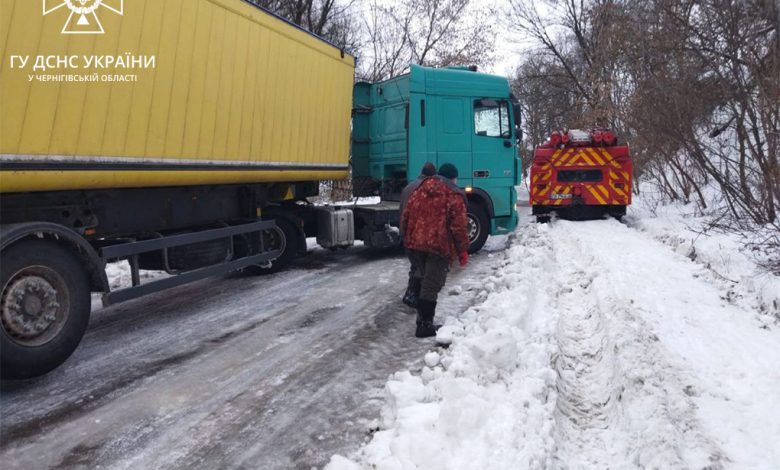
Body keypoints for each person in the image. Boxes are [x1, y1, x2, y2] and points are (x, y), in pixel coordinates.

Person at [400, 163, 470, 338]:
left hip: (416, 243)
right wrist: (462, 250)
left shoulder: (420, 189)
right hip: (438, 246)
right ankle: (424, 325)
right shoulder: (453, 195)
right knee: (432, 284)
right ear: (453, 178)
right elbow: (459, 227)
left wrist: (407, 239)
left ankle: (420, 316)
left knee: (425, 280)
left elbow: (406, 215)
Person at [399, 162, 437, 308]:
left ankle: (411, 294)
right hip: (418, 235)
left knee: (415, 265)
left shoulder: (409, 187)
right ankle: (412, 295)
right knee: (421, 268)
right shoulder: (424, 189)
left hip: (407, 233)